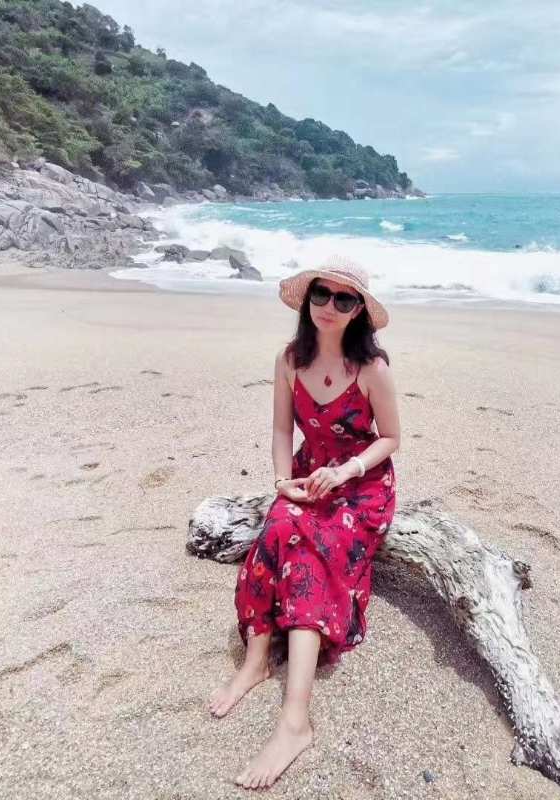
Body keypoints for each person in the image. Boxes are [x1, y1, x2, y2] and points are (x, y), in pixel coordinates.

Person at [207, 254, 400, 789]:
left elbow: (391, 439)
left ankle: (295, 721)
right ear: (308, 298)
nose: (329, 306)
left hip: (361, 485)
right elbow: (280, 431)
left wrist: (345, 472)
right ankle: (255, 660)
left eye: (344, 298)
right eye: (321, 293)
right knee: (276, 530)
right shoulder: (290, 359)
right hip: (307, 473)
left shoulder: (372, 368)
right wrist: (281, 481)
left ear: (358, 309)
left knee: (313, 544)